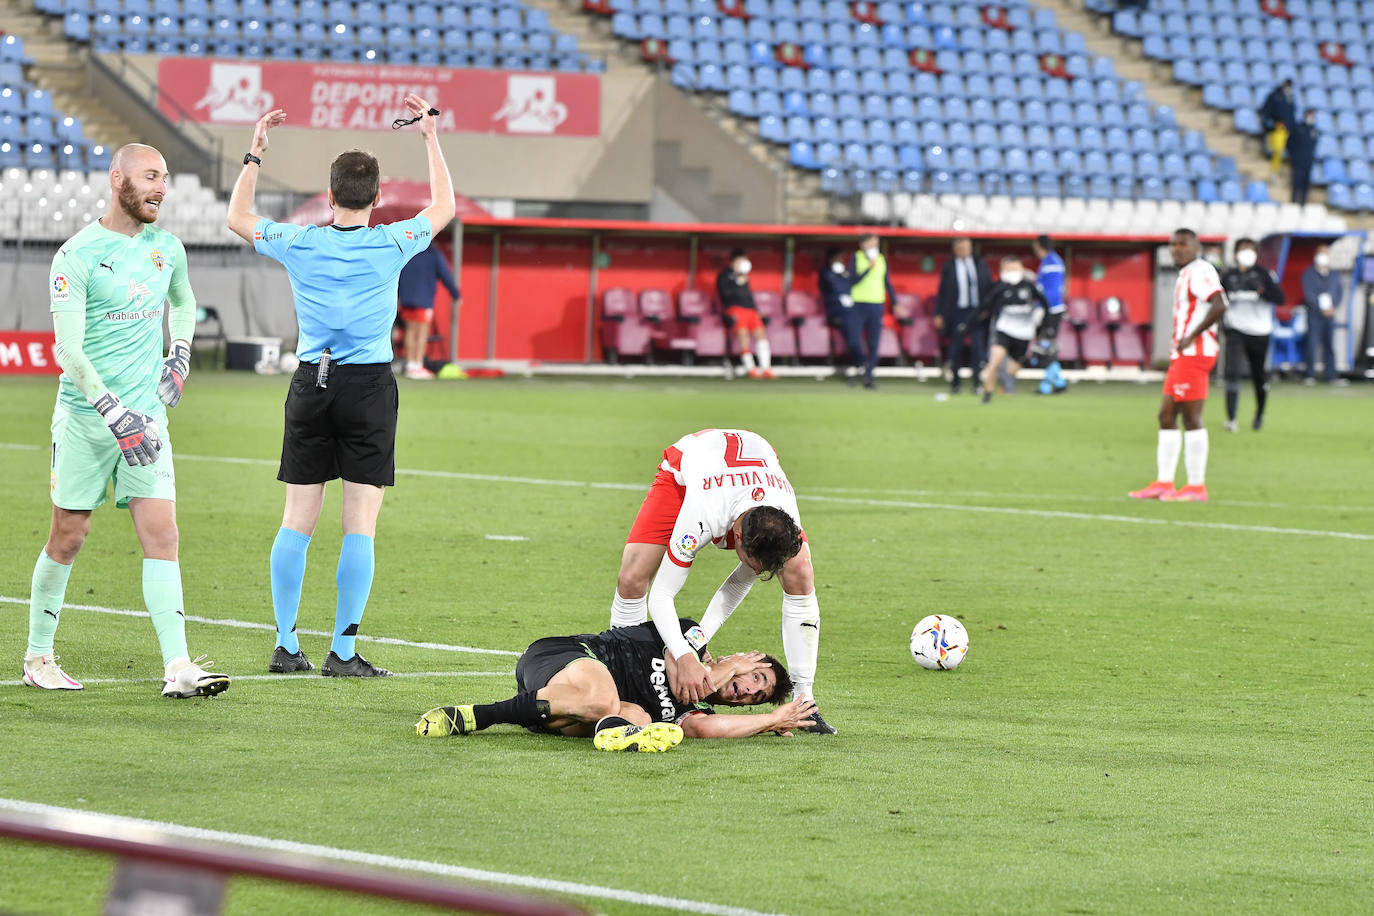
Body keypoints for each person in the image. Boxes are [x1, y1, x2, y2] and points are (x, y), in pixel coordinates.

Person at [226, 95, 456, 677]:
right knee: (361, 524)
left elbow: (237, 218)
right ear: (377, 198)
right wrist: (429, 137)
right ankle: (344, 653)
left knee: (296, 519)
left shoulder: (301, 242)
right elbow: (445, 206)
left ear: (329, 197)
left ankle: (286, 646)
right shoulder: (391, 242)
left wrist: (255, 153)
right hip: (368, 388)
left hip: (311, 384)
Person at [23, 142, 230, 698]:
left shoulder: (168, 248)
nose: (161, 188)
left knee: (162, 534)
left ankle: (178, 667)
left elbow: (182, 302)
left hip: (149, 419)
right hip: (89, 420)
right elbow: (68, 349)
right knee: (69, 536)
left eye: (165, 177)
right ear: (117, 179)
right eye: (150, 176)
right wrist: (112, 412)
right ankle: (38, 656)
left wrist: (180, 352)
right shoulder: (76, 255)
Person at [606, 428, 834, 734]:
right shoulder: (702, 516)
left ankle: (805, 700)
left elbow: (739, 582)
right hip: (690, 466)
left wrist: (694, 642)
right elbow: (661, 595)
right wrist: (684, 656)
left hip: (756, 465)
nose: (758, 573)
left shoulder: (783, 516)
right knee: (633, 576)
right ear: (735, 537)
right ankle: (620, 676)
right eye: (754, 564)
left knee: (800, 571)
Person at [414, 618, 818, 751]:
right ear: (748, 658)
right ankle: (478, 716)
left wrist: (771, 719)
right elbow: (692, 677)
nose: (749, 692)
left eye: (756, 699)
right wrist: (725, 668)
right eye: (757, 678)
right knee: (605, 698)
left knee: (637, 715)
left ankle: (614, 730)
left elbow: (705, 728)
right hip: (564, 658)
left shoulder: (692, 714)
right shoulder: (690, 635)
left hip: (557, 708)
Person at [1129, 229, 1229, 503]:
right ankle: (1164, 482)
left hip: (1194, 354)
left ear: (1196, 247)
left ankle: (1196, 486)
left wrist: (1193, 335)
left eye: (1183, 244)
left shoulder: (1200, 270)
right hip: (1182, 355)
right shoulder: (1185, 273)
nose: (1177, 249)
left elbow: (1220, 304)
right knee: (1166, 416)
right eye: (1173, 244)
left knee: (1190, 417)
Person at [1220, 238, 1285, 431]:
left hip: (1259, 331)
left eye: (1251, 249)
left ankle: (1259, 414)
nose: (1247, 252)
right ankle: (1231, 418)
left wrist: (1261, 292)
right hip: (1235, 329)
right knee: (1232, 372)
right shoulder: (1228, 275)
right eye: (1243, 249)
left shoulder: (1264, 274)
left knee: (1258, 375)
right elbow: (1217, 299)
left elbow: (1280, 298)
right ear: (1235, 253)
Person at [978, 256, 1056, 404]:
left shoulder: (1028, 286)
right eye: (1009, 269)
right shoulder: (999, 287)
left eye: (1015, 269)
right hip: (1004, 329)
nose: (1012, 272)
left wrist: (1046, 324)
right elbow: (985, 305)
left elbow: (1045, 303)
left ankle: (1004, 382)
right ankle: (987, 395)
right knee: (995, 361)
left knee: (1012, 368)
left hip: (1023, 333)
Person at [935, 237, 993, 394]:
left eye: (967, 247)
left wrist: (987, 309)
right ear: (955, 249)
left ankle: (976, 384)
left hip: (976, 312)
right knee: (955, 349)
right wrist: (939, 314)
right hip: (956, 312)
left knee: (977, 349)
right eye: (961, 248)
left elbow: (988, 287)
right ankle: (955, 384)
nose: (965, 250)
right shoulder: (949, 266)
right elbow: (942, 292)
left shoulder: (980, 264)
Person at [396, 242, 459, 380]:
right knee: (421, 333)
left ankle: (411, 365)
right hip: (423, 300)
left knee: (410, 332)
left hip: (406, 299)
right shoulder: (434, 254)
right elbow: (445, 275)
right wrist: (456, 294)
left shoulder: (408, 253)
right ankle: (417, 365)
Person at [846, 233, 897, 390]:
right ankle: (860, 366)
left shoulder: (882, 259)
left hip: (876, 304)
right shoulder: (857, 257)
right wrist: (869, 268)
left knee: (874, 342)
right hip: (859, 304)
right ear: (863, 244)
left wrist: (895, 301)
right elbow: (853, 280)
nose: (875, 246)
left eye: (877, 243)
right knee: (854, 340)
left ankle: (869, 376)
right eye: (872, 243)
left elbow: (887, 281)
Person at [716, 249, 773, 379]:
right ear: (734, 262)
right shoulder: (725, 275)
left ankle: (766, 367)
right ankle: (750, 368)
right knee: (743, 335)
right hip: (735, 309)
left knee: (760, 333)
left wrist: (756, 309)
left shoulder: (744, 276)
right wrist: (736, 284)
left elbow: (748, 295)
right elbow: (724, 294)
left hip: (750, 310)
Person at [1301, 244, 1348, 386]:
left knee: (1330, 346)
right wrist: (1320, 307)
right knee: (1311, 344)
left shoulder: (1334, 274)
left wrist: (1334, 307)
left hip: (1330, 315)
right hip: (1315, 314)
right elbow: (1308, 293)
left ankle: (1331, 375)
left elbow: (1339, 292)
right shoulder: (1308, 273)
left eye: (1326, 253)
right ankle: (1309, 375)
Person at [1030, 235, 1069, 394]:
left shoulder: (1052, 262)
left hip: (1051, 310)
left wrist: (1042, 308)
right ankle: (1058, 382)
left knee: (1046, 347)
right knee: (1046, 347)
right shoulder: (1049, 261)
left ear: (1040, 245)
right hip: (1050, 309)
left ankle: (1047, 385)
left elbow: (1052, 291)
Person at [818, 246, 861, 379]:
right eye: (839, 257)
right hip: (836, 312)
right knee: (852, 336)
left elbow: (851, 285)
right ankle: (859, 363)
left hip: (851, 311)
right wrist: (839, 275)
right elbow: (837, 288)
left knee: (858, 333)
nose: (841, 260)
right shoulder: (826, 273)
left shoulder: (844, 273)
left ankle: (861, 363)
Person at [1259, 79, 1296, 175]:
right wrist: (1270, 123)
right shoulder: (1274, 96)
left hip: (1287, 129)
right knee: (1277, 151)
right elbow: (1266, 110)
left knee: (1282, 152)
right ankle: (1273, 171)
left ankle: (1277, 170)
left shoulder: (1290, 97)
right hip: (1277, 128)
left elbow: (1291, 114)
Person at [1287, 109, 1318, 206]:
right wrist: (1294, 157)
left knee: (1305, 186)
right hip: (1297, 162)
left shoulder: (1314, 130)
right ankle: (1293, 204)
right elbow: (1289, 143)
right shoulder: (1298, 128)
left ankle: (1303, 205)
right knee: (1296, 184)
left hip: (1308, 162)